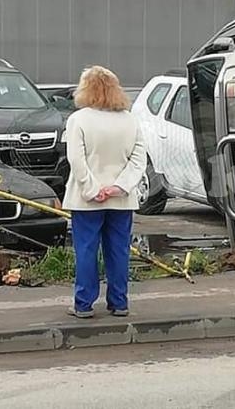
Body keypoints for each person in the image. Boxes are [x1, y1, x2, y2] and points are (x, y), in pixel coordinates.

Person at [62, 66, 146, 318]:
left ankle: (84, 304)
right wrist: (119, 187)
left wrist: (93, 189)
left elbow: (76, 160)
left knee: (87, 250)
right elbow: (139, 159)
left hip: (87, 201)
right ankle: (119, 302)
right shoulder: (130, 119)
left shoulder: (79, 119)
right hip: (121, 199)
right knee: (119, 251)